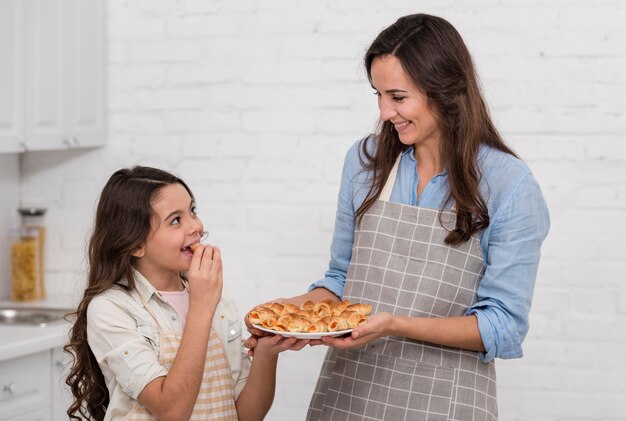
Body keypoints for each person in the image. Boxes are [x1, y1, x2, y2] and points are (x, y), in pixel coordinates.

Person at [246, 13, 550, 420]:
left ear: (446, 90)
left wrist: (395, 325)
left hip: (446, 401)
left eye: (398, 97)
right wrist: (286, 316)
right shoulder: (364, 162)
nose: (386, 111)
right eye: (378, 94)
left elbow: (503, 326)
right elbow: (341, 280)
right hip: (349, 394)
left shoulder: (508, 183)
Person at [65, 166, 305, 421]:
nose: (197, 227)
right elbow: (172, 411)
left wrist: (267, 352)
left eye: (192, 210)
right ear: (135, 243)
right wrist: (201, 307)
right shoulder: (112, 309)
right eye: (176, 220)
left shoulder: (218, 299)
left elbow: (246, 415)